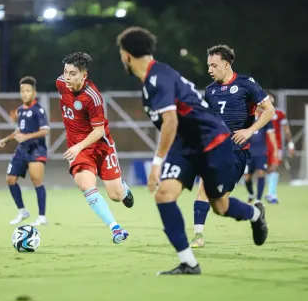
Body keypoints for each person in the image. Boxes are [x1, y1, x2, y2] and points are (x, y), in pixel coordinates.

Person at [116, 27, 272, 275]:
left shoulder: (159, 77)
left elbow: (170, 121)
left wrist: (157, 162)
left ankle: (254, 214)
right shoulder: (150, 81)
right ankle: (189, 262)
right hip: (187, 144)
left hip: (212, 142)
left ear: (126, 55)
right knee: (164, 195)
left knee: (220, 206)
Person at [189, 45, 275, 248]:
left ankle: (255, 214)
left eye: (214, 65)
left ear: (226, 65)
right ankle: (198, 236)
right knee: (203, 189)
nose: (210, 69)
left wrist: (249, 130)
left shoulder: (246, 84)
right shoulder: (210, 91)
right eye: (208, 65)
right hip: (214, 150)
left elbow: (269, 110)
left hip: (236, 152)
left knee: (220, 204)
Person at [56, 52, 134, 244]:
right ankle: (115, 229)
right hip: (79, 150)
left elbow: (99, 131)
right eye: (65, 72)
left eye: (73, 73)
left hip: (101, 146)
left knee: (115, 196)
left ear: (84, 76)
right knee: (85, 185)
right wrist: (77, 148)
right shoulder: (60, 83)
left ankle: (123, 189)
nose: (67, 77)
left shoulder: (93, 98)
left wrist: (79, 145)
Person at [0, 76, 49, 226]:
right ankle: (22, 211)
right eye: (22, 91)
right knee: (10, 179)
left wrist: (27, 136)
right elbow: (21, 129)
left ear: (34, 92)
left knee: (36, 180)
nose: (25, 94)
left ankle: (41, 217)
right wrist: (7, 139)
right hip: (21, 150)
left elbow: (44, 131)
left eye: (28, 91)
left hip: (36, 150)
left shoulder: (38, 110)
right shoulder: (20, 110)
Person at [265, 93, 295, 204]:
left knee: (274, 166)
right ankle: (269, 193)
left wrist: (291, 144)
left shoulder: (279, 113)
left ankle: (272, 194)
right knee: (267, 168)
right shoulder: (258, 113)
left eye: (270, 97)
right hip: (262, 146)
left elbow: (286, 130)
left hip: (276, 146)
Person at [244, 108, 278, 203]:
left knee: (261, 173)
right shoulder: (247, 118)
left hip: (261, 152)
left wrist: (275, 149)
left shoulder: (265, 118)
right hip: (248, 153)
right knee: (246, 177)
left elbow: (271, 135)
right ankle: (251, 194)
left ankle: (258, 199)